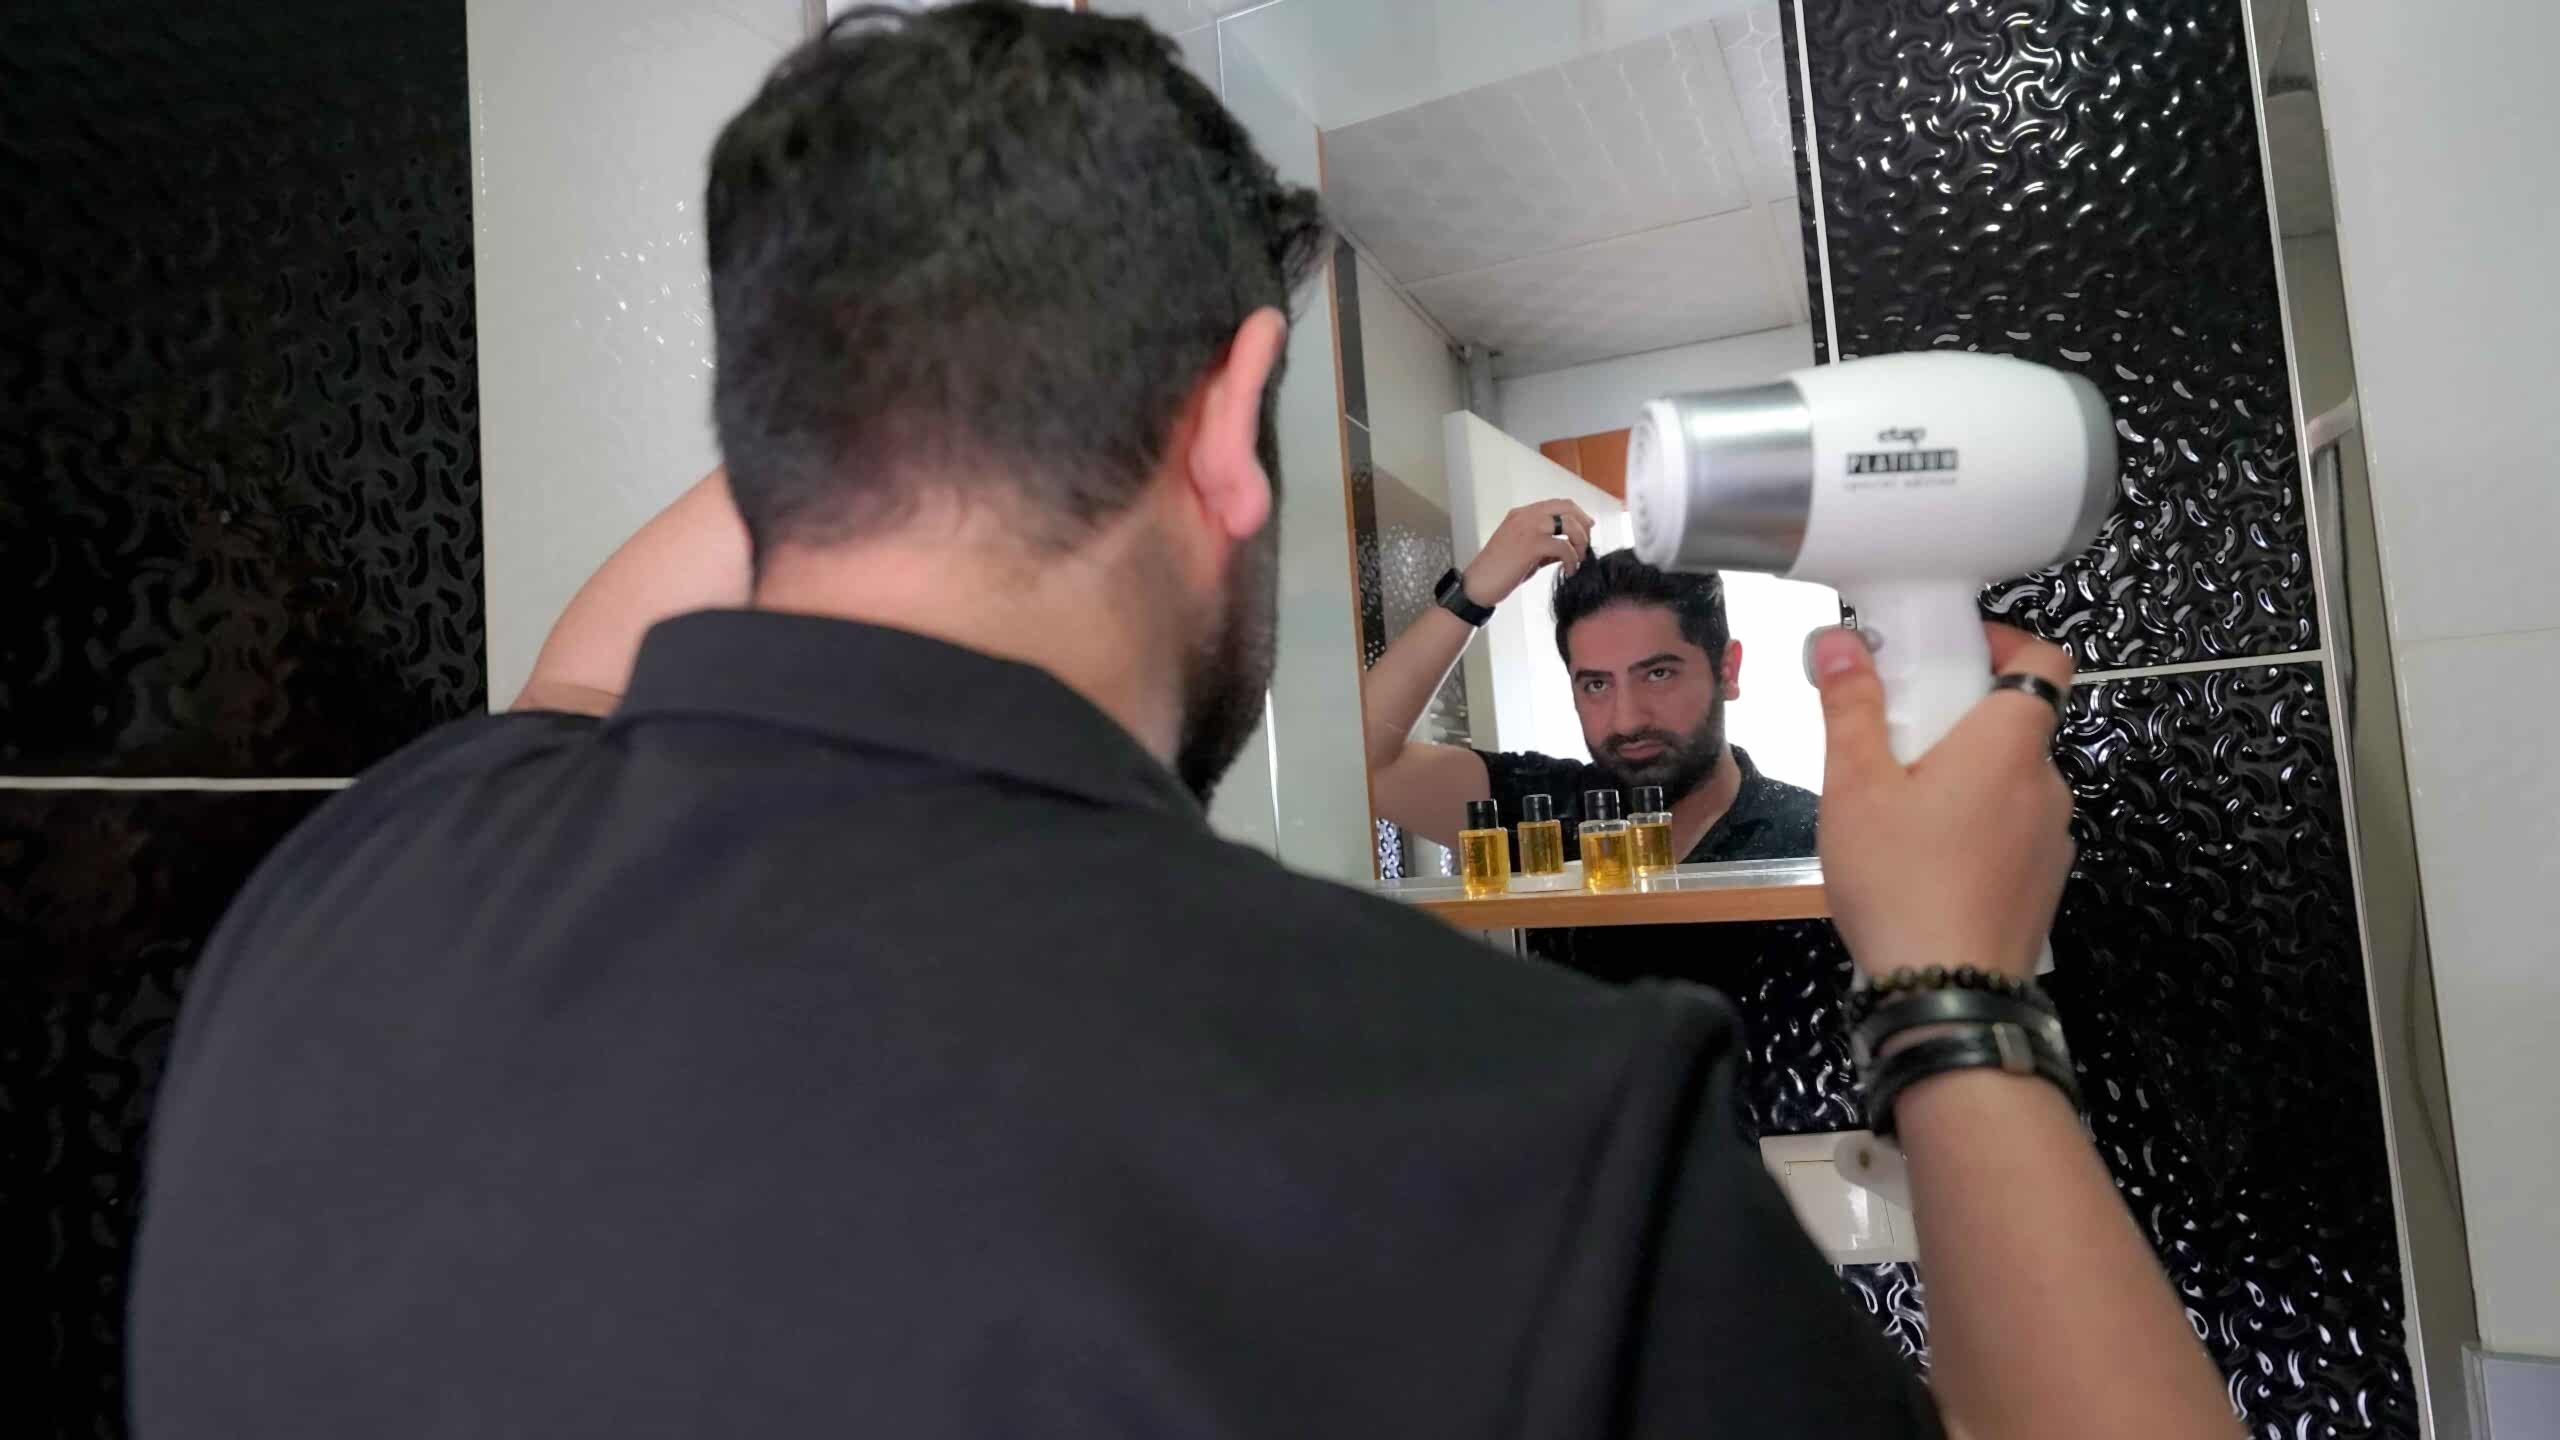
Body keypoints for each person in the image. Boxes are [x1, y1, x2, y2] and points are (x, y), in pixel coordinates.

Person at [128, 6, 2235, 1438]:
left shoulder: (375, 875)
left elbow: (589, 674)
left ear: (786, 426)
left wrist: (897, 323)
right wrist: (1954, 991)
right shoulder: (1518, 1138)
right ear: (1233, 419)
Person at [1365, 523, 1819, 977]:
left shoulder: (1817, 837)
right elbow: (1365, 766)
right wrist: (1472, 594)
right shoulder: (1548, 816)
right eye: (1597, 685)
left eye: (1658, 674)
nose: (1627, 721)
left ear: (1727, 670)